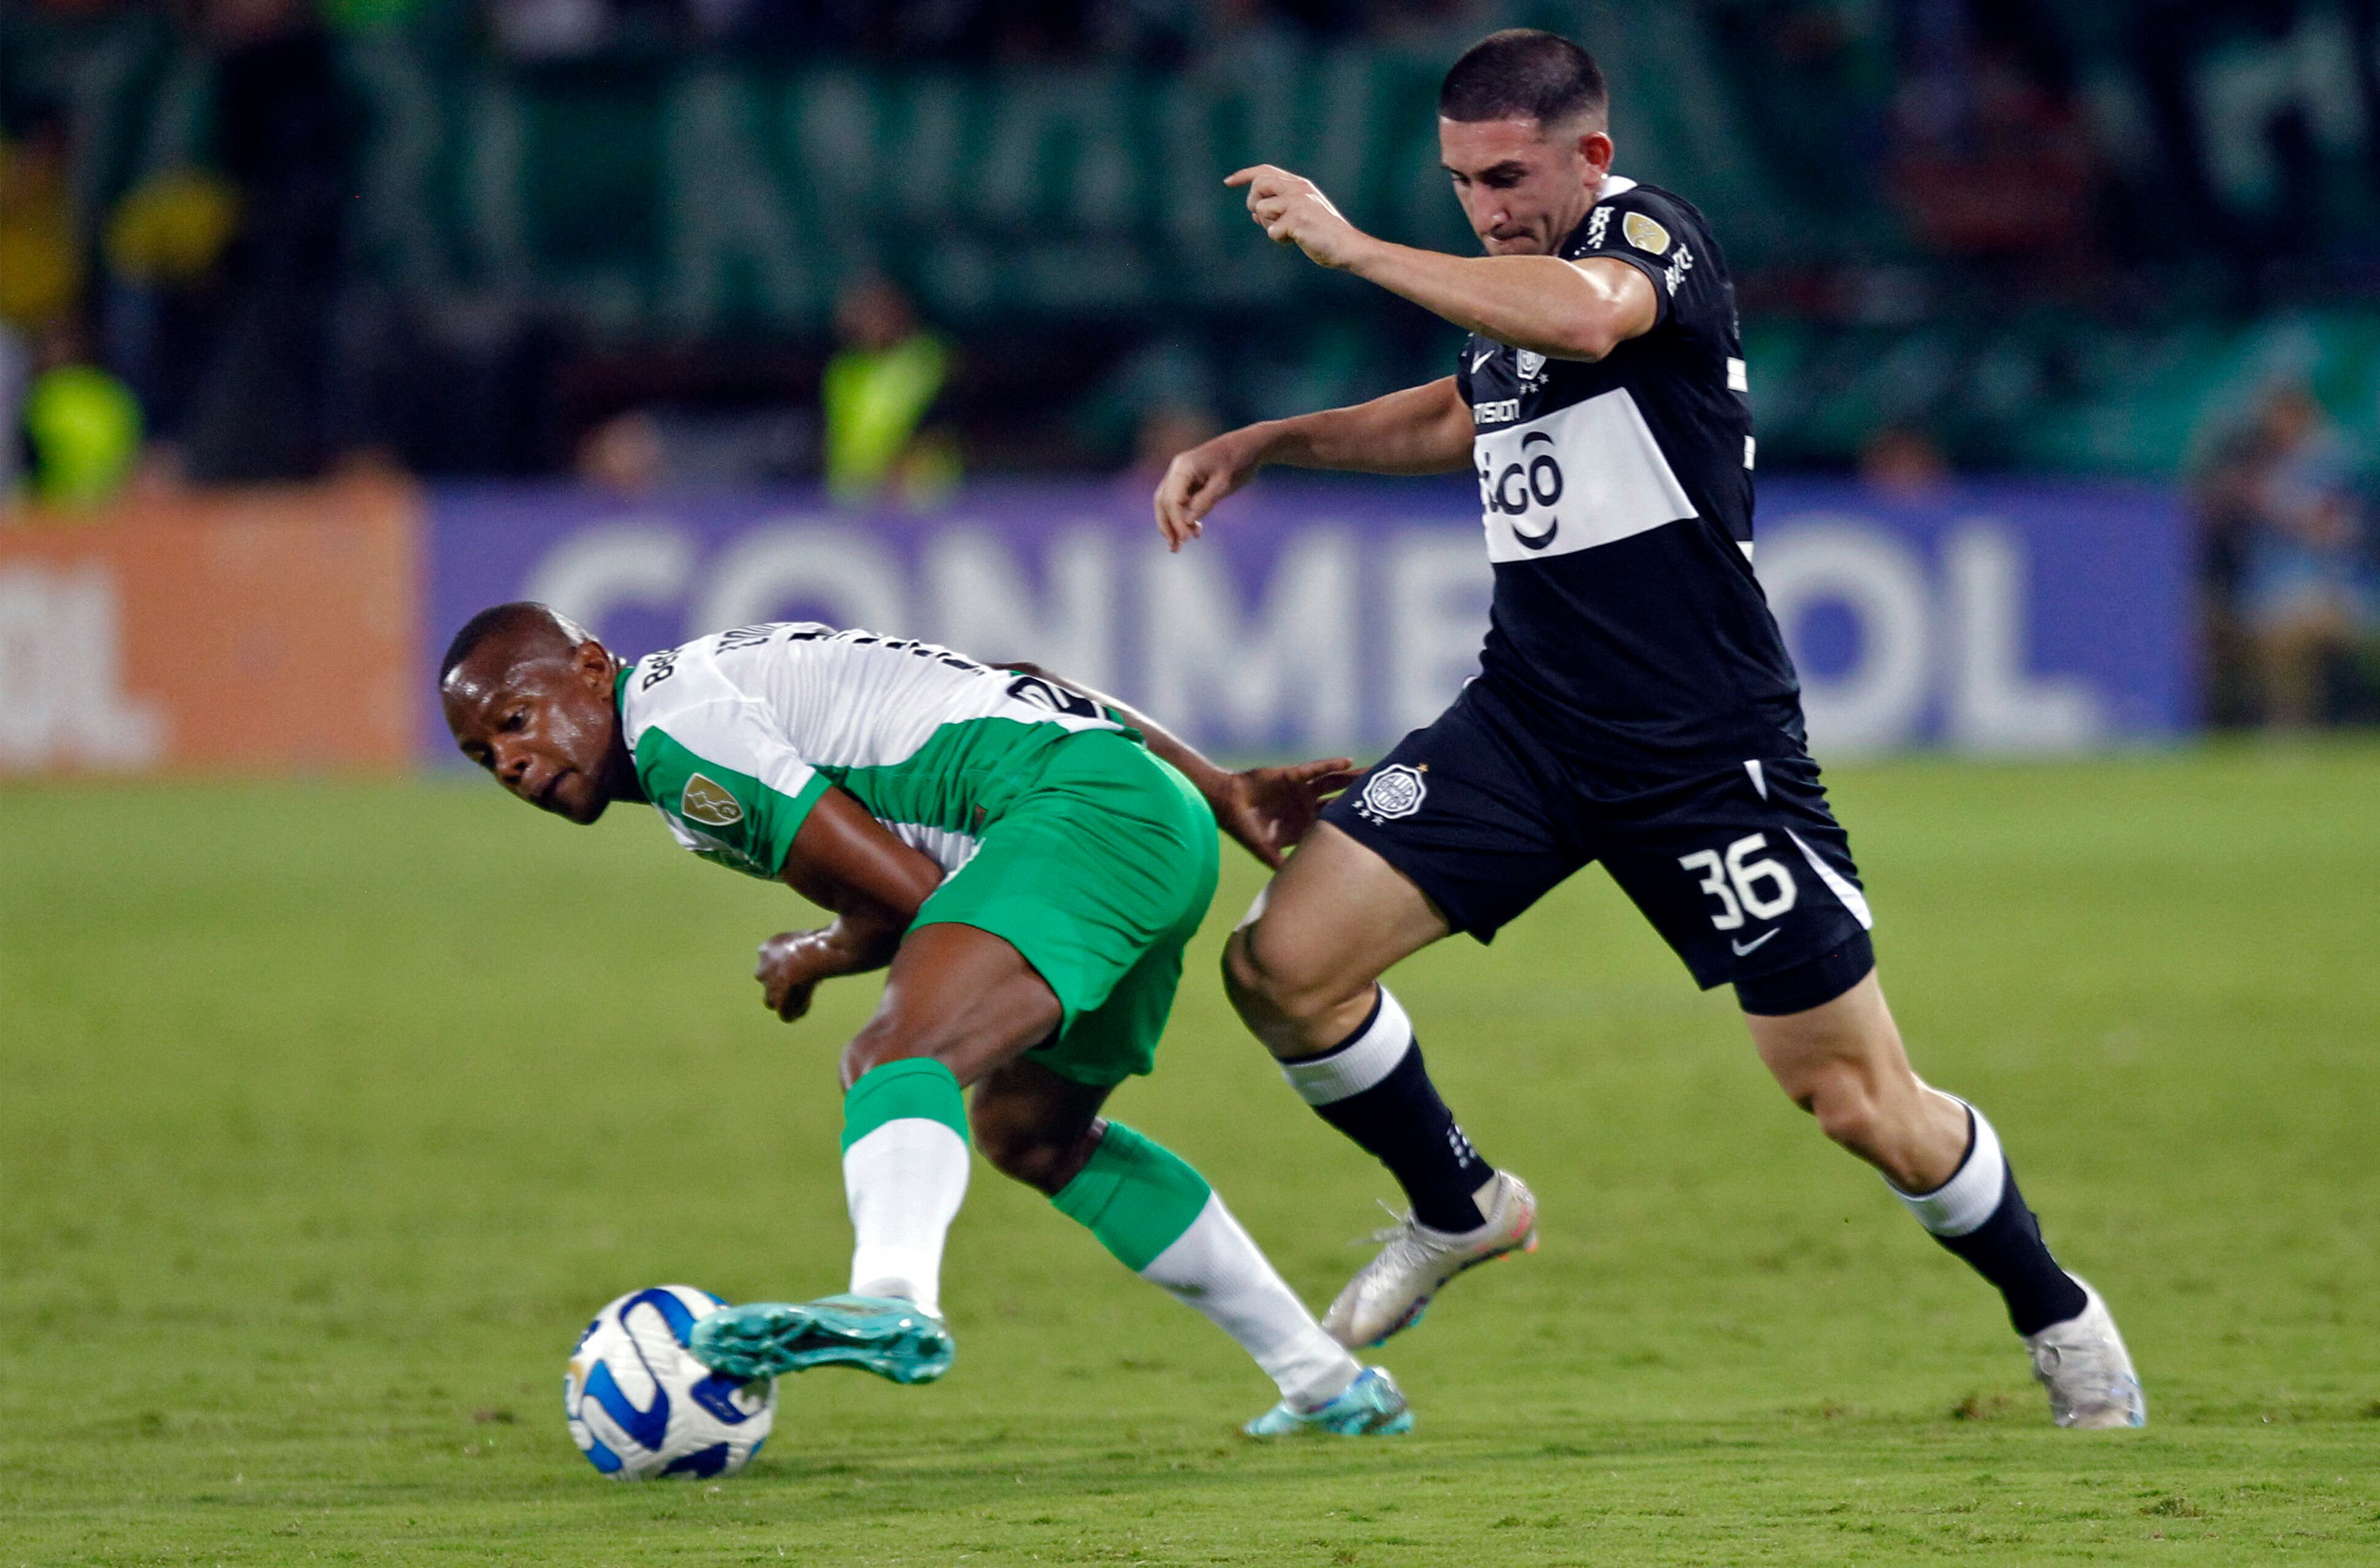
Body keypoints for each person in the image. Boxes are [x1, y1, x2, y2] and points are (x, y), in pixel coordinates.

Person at [1152, 28, 2145, 1428]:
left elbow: (1584, 320)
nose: (1487, 206)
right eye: (1462, 184)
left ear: (1590, 155)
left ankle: (2056, 1308)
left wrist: (1353, 245)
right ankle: (1463, 1205)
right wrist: (1270, 440)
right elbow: (1464, 408)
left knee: (1859, 1100)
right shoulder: (1514, 292)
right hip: (1530, 722)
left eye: (1508, 175)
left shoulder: (1644, 241)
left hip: (1704, 749)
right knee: (1282, 967)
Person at [438, 604, 1411, 1436]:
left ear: (593, 667)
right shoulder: (712, 684)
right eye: (485, 758)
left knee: (894, 1056)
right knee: (1030, 1134)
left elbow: (910, 898)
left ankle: (891, 1297)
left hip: (1081, 816)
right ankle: (1327, 1383)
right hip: (1139, 814)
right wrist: (1216, 785)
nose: (514, 764)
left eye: (517, 721)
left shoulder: (678, 737)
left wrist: (811, 953)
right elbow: (1021, 680)